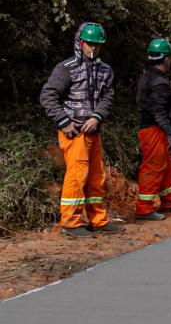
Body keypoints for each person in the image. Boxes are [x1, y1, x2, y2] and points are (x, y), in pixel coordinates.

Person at [39, 22, 124, 238]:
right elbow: (48, 95)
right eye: (89, 44)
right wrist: (64, 121)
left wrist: (97, 117)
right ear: (80, 42)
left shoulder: (106, 70)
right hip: (73, 132)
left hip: (93, 131)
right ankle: (70, 223)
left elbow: (108, 96)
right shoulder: (66, 68)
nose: (93, 48)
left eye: (97, 44)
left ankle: (98, 220)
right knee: (77, 176)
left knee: (96, 177)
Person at [135, 38, 171, 220]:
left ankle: (169, 202)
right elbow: (158, 111)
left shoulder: (149, 77)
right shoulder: (159, 83)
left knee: (165, 167)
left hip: (155, 129)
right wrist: (170, 132)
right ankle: (144, 209)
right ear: (166, 59)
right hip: (154, 130)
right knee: (153, 168)